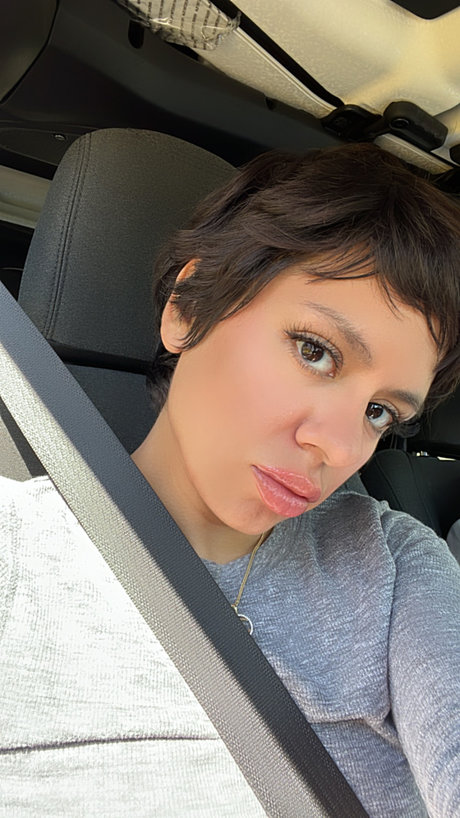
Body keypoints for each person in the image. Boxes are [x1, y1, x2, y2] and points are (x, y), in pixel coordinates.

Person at [1, 143, 459, 817]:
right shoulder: (16, 547)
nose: (338, 447)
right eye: (315, 351)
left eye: (379, 412)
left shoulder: (394, 563)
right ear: (189, 308)